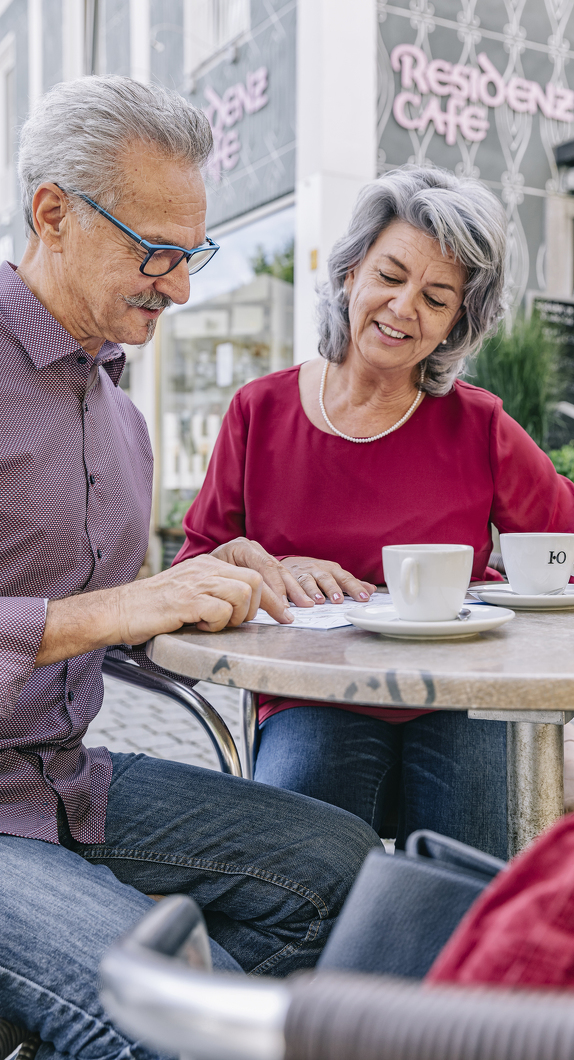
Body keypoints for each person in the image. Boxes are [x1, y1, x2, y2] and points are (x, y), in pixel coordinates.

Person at [0, 75, 381, 1060]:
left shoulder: (118, 413)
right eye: (157, 253)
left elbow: (107, 608)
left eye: (192, 253)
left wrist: (224, 582)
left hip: (67, 776)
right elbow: (97, 610)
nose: (181, 286)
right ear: (53, 213)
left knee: (341, 864)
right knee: (171, 1012)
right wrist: (121, 607)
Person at [176, 165, 574, 861]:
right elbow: (193, 569)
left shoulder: (478, 424)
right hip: (310, 697)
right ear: (352, 271)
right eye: (390, 275)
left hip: (462, 694)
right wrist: (267, 566)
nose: (402, 307)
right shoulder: (258, 411)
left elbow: (563, 547)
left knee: (472, 868)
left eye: (437, 296)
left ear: (457, 321)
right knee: (292, 866)